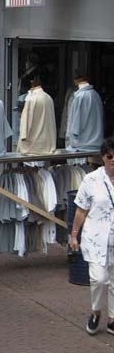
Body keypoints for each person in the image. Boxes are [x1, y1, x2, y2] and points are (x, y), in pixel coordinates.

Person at [70, 137, 114, 335]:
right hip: (96, 237)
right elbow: (81, 209)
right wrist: (73, 235)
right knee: (98, 278)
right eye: (109, 156)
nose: (113, 160)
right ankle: (96, 310)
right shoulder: (91, 180)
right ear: (103, 157)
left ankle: (113, 318)